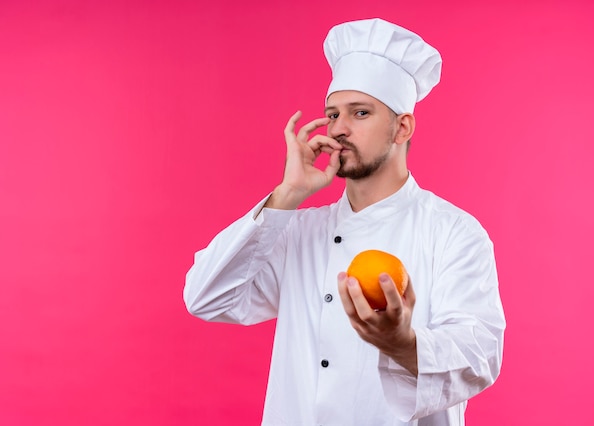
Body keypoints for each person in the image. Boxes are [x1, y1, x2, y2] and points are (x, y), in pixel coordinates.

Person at [184, 18, 505, 426]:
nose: (340, 129)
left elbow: (480, 355)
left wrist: (402, 343)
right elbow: (206, 297)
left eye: (360, 112)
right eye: (333, 114)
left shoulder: (453, 232)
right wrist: (288, 194)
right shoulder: (298, 232)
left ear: (402, 127)